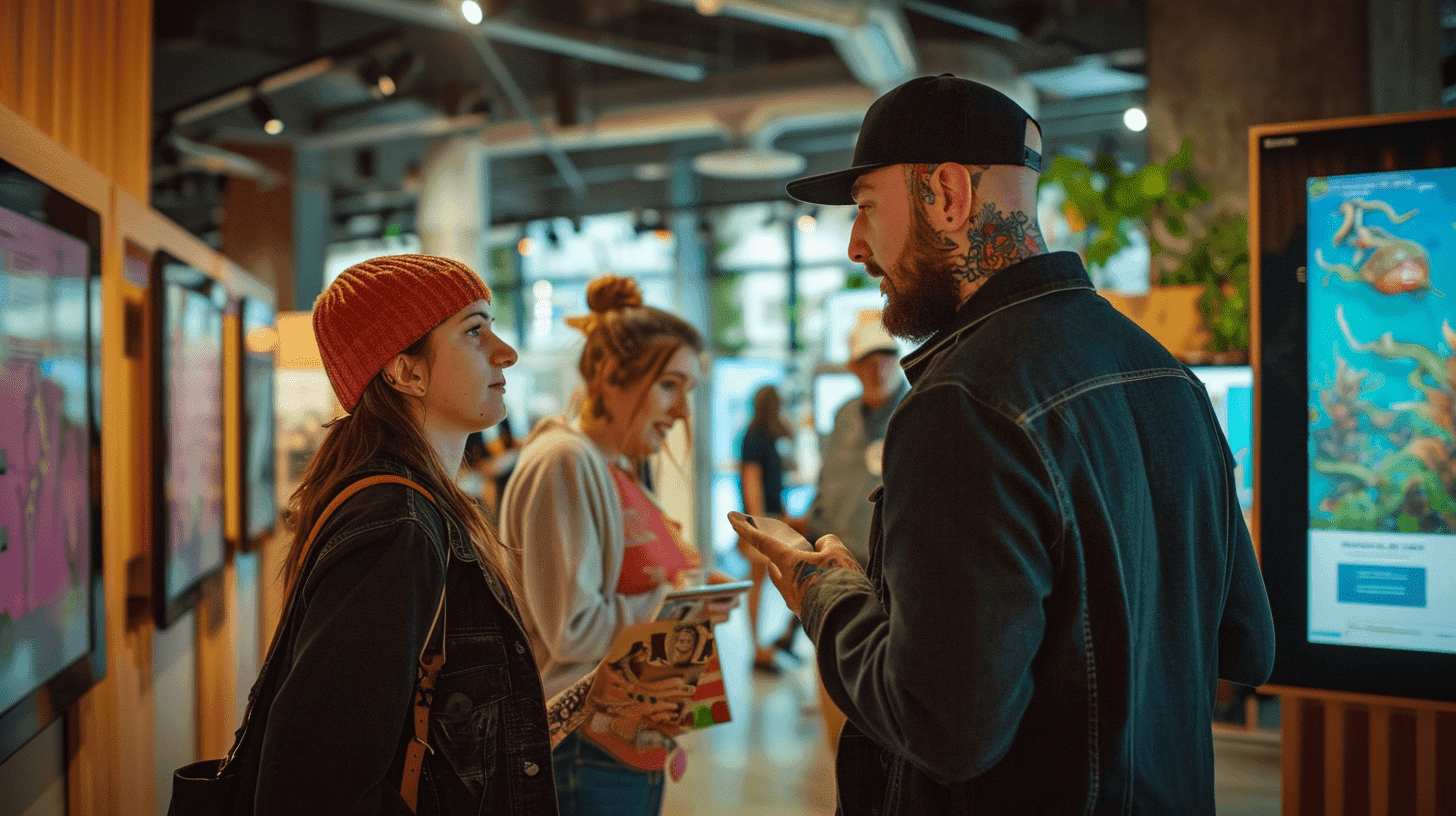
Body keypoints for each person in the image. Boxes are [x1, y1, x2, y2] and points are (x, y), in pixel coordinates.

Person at [732, 75, 1276, 814]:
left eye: (865, 208)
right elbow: (1248, 643)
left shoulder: (961, 405)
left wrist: (824, 593)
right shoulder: (1166, 374)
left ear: (948, 195)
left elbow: (946, 727)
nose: (857, 246)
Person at [254, 254, 684, 815]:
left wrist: (587, 695)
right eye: (474, 331)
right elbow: (319, 780)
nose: (505, 351)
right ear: (406, 371)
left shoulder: (423, 507)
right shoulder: (396, 526)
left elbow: (454, 735)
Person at [500, 275, 731, 816]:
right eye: (670, 386)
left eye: (688, 391)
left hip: (625, 737)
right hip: (580, 742)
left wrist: (690, 599)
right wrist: (679, 607)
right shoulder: (564, 461)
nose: (681, 412)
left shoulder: (614, 465)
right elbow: (574, 630)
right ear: (611, 378)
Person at [788, 316, 906, 751]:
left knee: (881, 692)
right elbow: (830, 481)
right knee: (832, 676)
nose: (879, 368)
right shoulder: (844, 417)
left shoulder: (916, 412)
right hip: (833, 567)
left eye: (886, 356)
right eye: (868, 359)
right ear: (853, 366)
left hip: (891, 578)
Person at [736, 384, 797, 672]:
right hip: (761, 520)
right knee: (759, 580)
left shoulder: (768, 435)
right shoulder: (754, 437)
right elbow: (752, 481)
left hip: (771, 516)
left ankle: (771, 643)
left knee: (767, 580)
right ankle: (757, 649)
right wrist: (758, 525)